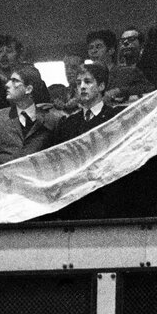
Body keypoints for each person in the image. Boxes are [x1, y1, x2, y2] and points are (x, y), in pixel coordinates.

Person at [50, 63, 121, 220]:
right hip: (75, 202)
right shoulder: (67, 123)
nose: (82, 87)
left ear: (101, 86)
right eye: (78, 83)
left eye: (88, 82)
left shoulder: (114, 118)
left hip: (106, 199)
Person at [0, 64, 60, 181]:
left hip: (39, 188)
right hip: (4, 187)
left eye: (15, 81)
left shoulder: (52, 120)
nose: (7, 85)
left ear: (28, 89)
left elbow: (58, 157)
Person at [0, 35, 50, 134]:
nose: (4, 55)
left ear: (19, 56)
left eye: (9, 51)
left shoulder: (35, 84)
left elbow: (45, 115)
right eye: (0, 52)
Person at [107, 27, 154, 101]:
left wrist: (120, 91)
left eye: (131, 39)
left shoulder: (150, 68)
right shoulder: (115, 70)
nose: (125, 43)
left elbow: (151, 88)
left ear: (142, 44)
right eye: (122, 41)